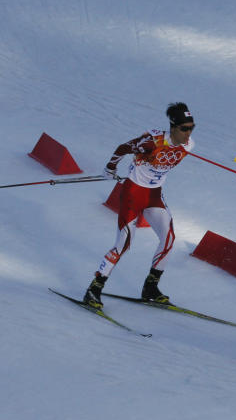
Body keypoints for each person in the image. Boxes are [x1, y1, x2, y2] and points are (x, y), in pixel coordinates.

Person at [82, 102, 196, 309]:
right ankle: (94, 289)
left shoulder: (189, 145)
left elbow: (171, 153)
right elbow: (123, 148)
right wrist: (110, 168)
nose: (188, 133)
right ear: (173, 127)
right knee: (124, 244)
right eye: (184, 128)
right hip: (133, 193)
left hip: (154, 195)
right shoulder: (151, 141)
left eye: (192, 128)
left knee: (168, 238)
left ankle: (150, 288)